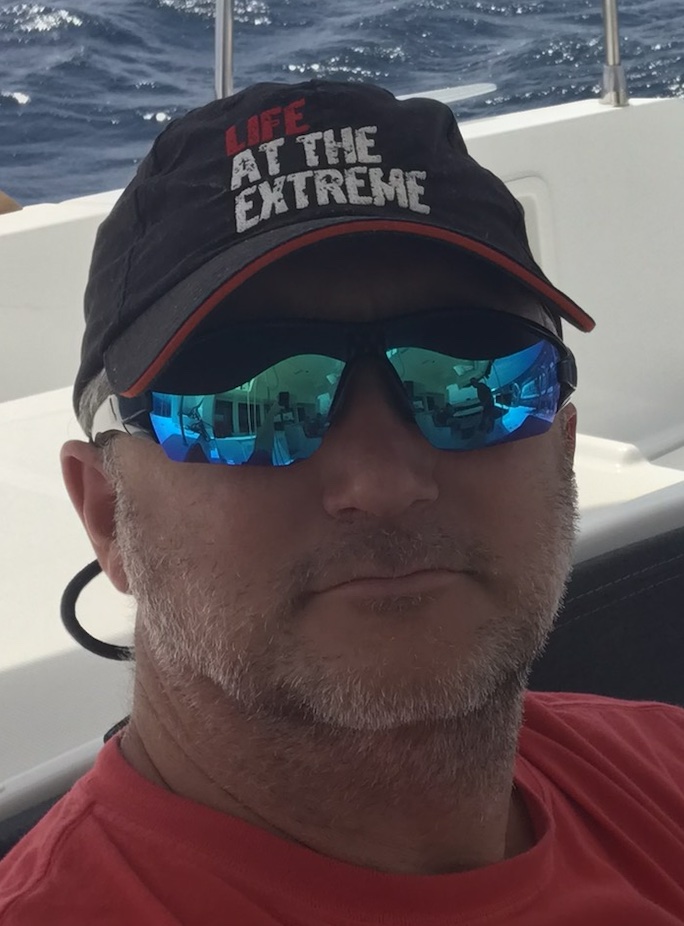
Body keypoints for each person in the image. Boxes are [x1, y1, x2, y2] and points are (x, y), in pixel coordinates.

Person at [1, 80, 683, 924]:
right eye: (253, 405)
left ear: (564, 450)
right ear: (108, 516)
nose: (384, 484)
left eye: (471, 379)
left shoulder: (664, 767)